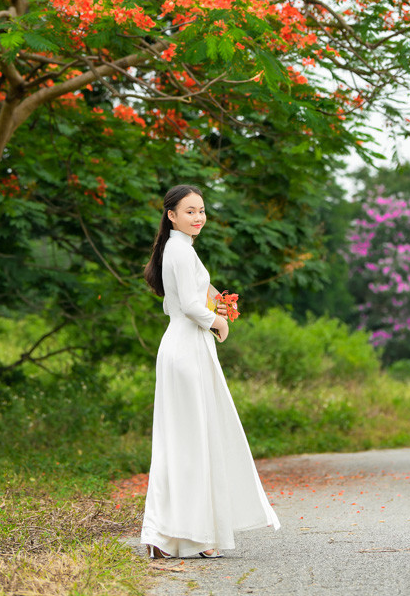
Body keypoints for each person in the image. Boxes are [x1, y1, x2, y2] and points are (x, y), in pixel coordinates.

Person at [140, 184, 280, 559]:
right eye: (189, 211)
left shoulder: (179, 249)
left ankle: (181, 537)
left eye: (201, 210)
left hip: (184, 349)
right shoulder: (178, 250)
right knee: (191, 441)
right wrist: (218, 322)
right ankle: (183, 536)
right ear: (171, 215)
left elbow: (197, 292)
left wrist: (220, 304)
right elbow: (188, 304)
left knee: (187, 442)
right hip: (186, 349)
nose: (198, 217)